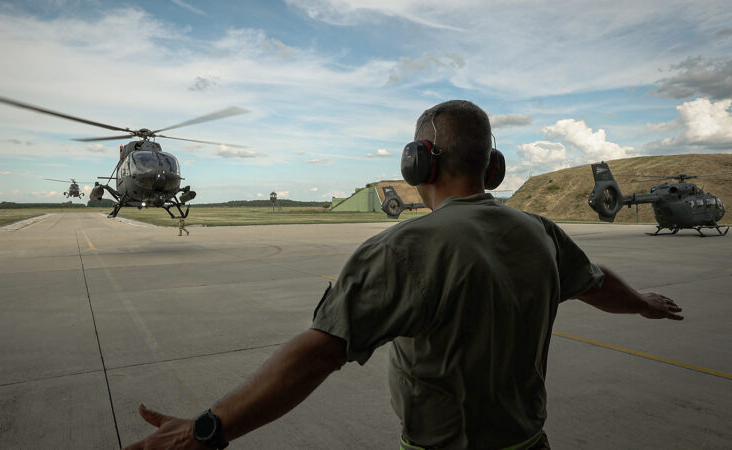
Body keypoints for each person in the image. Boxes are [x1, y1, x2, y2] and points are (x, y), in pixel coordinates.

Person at [124, 100, 683, 450]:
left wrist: (206, 429)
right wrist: (643, 303)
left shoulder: (403, 248)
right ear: (493, 166)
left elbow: (318, 353)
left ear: (419, 161)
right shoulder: (540, 231)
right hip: (531, 442)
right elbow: (596, 282)